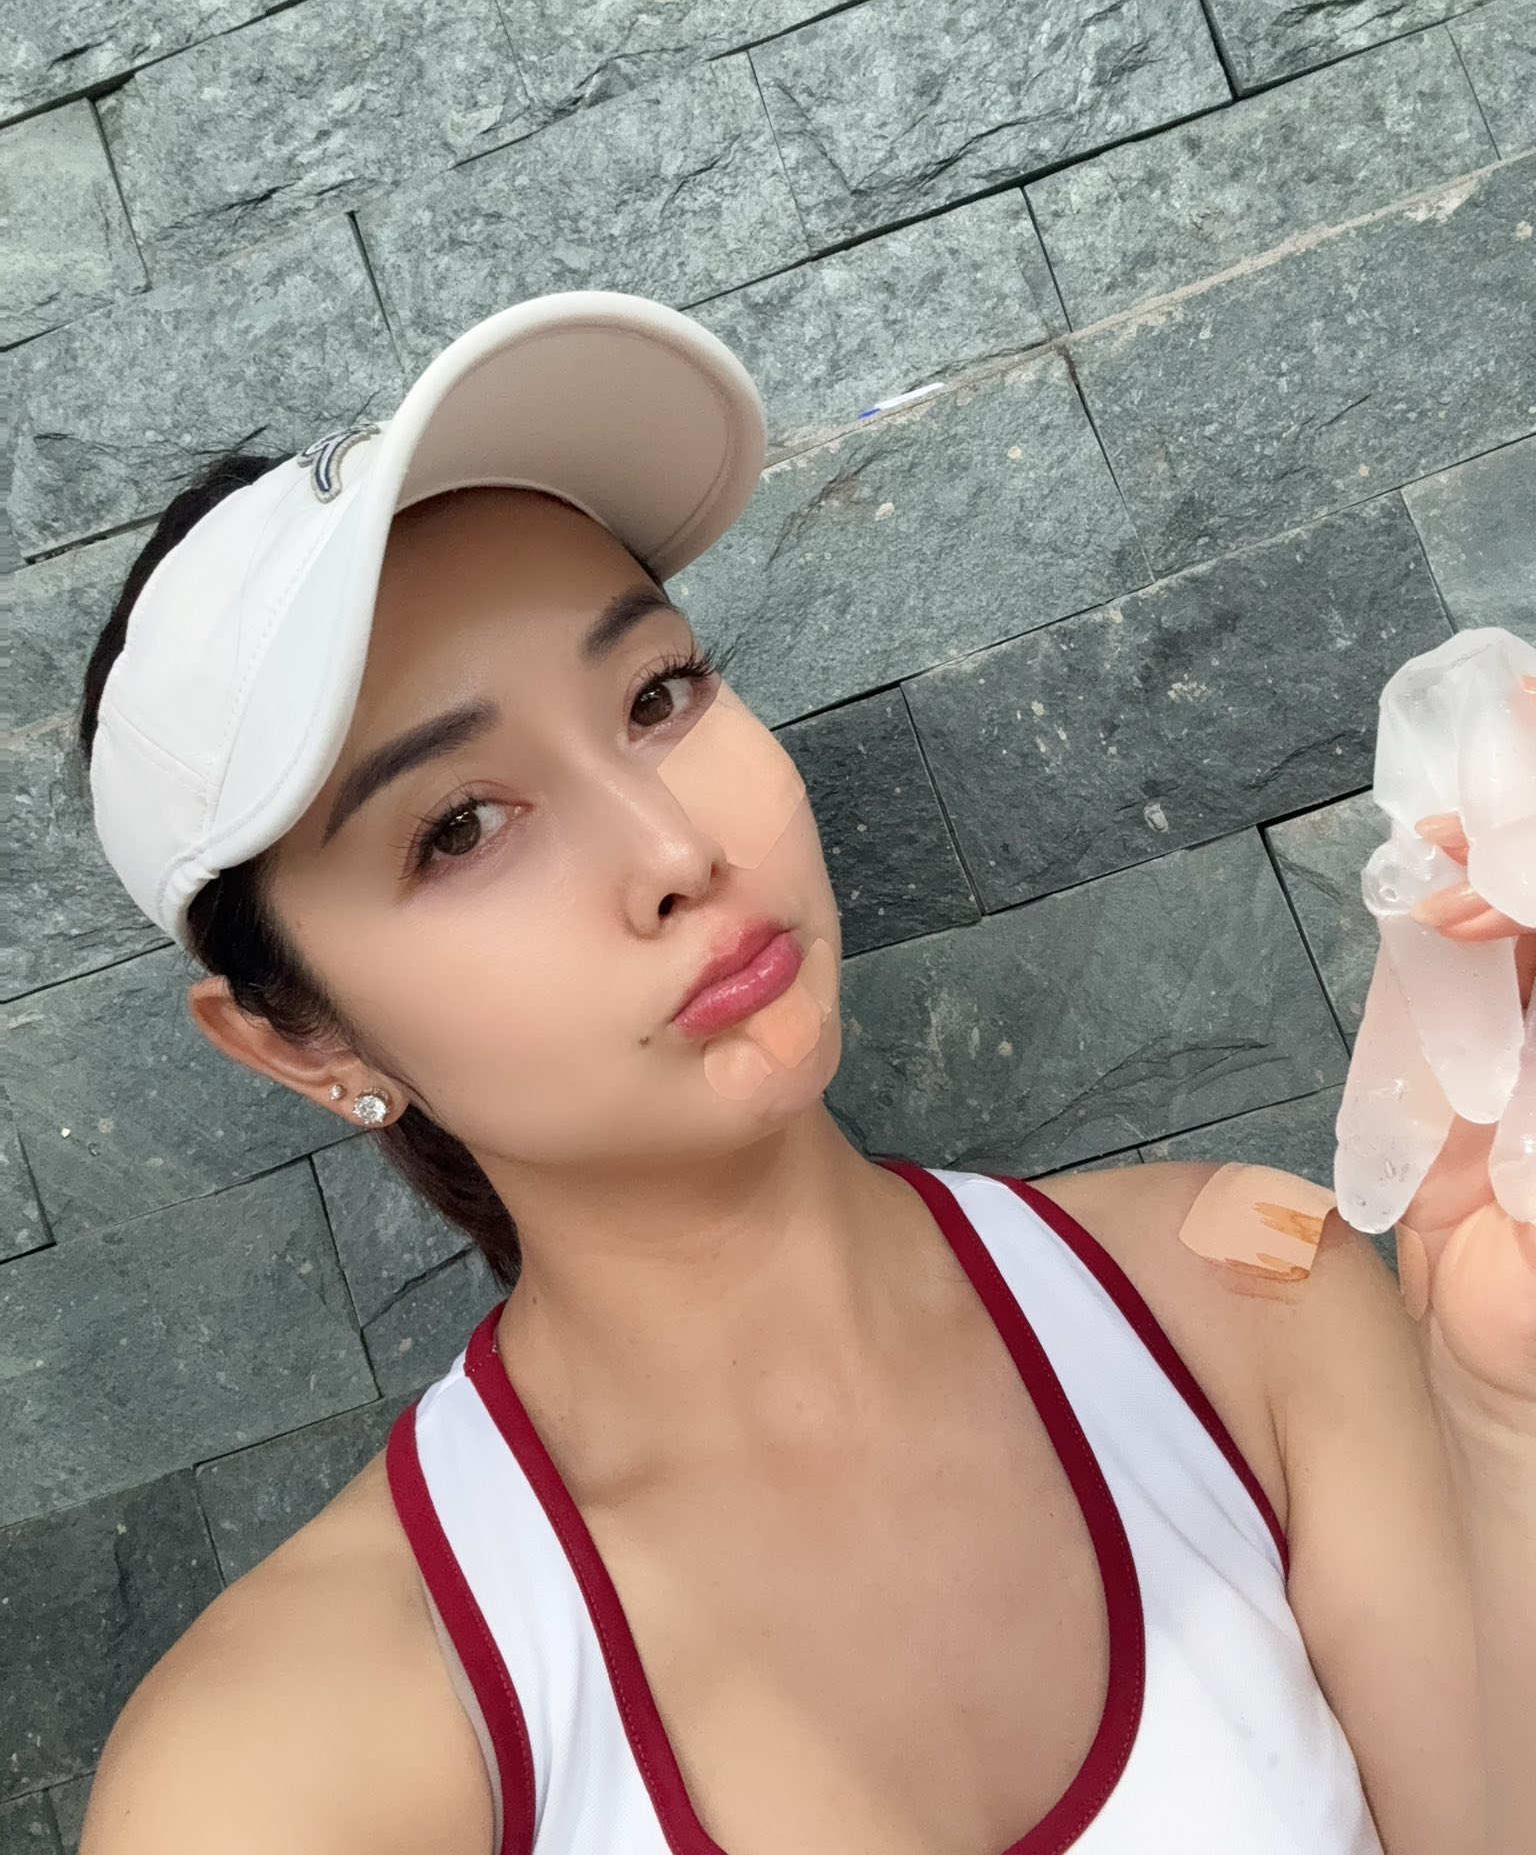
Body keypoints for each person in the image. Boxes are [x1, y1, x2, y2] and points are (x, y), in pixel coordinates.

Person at [70, 292, 1520, 1855]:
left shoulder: (1248, 1299)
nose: (675, 847)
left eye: (656, 695)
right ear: (303, 1040)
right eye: (461, 828)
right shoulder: (277, 1770)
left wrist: (1500, 1407)